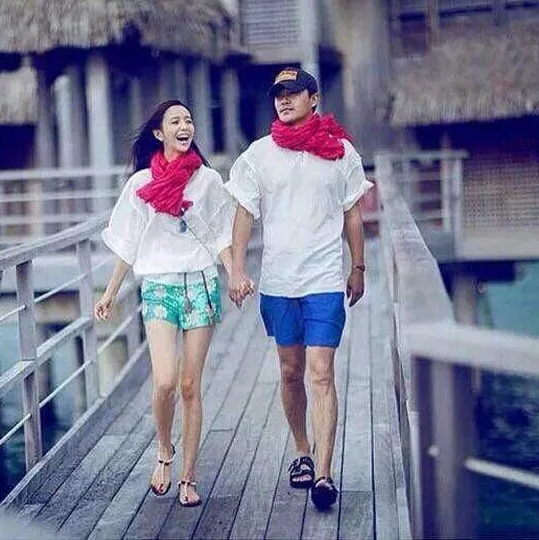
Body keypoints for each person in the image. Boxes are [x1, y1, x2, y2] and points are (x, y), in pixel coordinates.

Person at [225, 67, 373, 510]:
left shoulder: (341, 152)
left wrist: (358, 266)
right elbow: (244, 214)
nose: (284, 100)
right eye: (278, 94)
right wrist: (236, 269)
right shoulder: (258, 155)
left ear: (314, 97)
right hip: (279, 280)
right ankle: (303, 452)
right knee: (290, 371)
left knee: (321, 372)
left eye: (293, 93)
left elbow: (352, 214)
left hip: (324, 279)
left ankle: (324, 473)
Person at [95, 99, 236, 508]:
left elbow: (220, 234)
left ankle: (188, 477)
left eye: (188, 120)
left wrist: (234, 275)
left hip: (201, 285)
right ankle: (163, 449)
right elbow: (128, 243)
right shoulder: (140, 184)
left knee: (191, 386)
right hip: (159, 286)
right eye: (175, 121)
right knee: (165, 382)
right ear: (159, 133)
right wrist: (109, 292)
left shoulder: (207, 180)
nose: (184, 126)